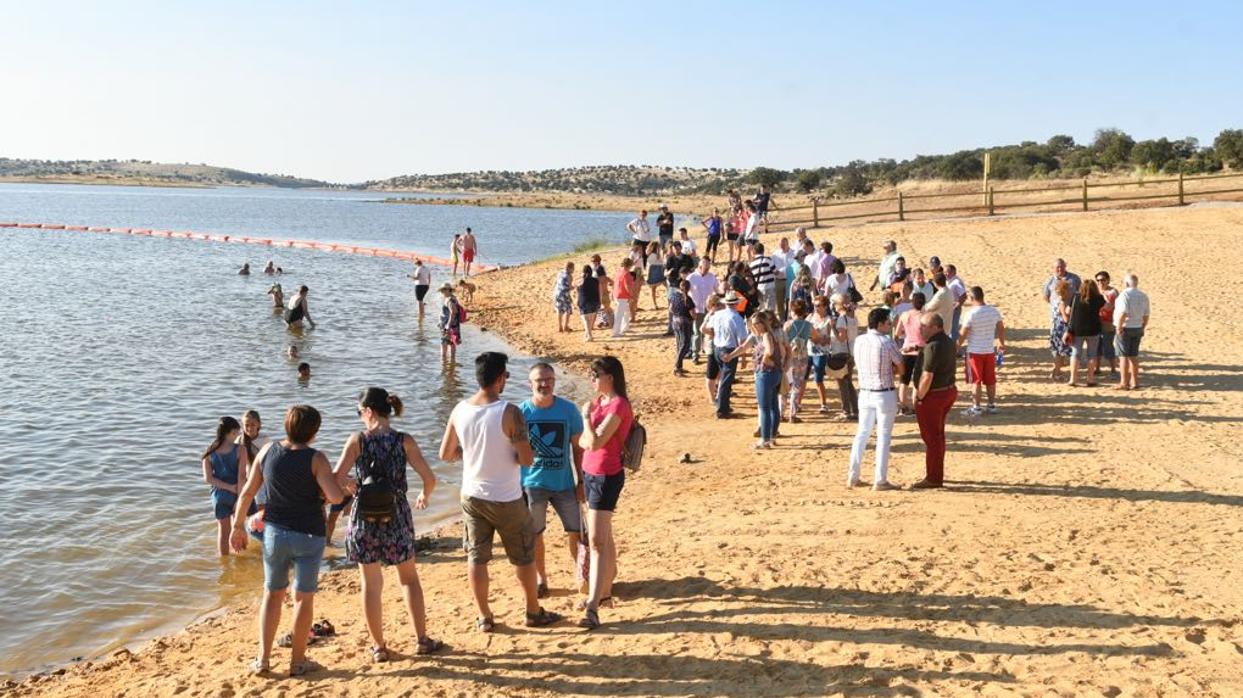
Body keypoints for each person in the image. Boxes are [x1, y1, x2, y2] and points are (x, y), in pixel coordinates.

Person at [439, 352, 562, 633]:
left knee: (477, 557)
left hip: (472, 494)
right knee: (523, 555)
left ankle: (484, 615)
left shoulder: (459, 409)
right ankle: (532, 610)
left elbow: (445, 453)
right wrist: (506, 453)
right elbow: (527, 458)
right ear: (498, 378)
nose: (506, 380)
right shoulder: (509, 412)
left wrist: (471, 453)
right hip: (506, 495)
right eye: (506, 376)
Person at [229, 405, 346, 677]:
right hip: (308, 535)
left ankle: (263, 660)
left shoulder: (268, 451)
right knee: (303, 598)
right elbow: (336, 497)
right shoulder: (316, 458)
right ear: (314, 432)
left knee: (272, 594)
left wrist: (237, 527)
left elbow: (247, 492)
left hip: (275, 533)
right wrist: (334, 486)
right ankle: (298, 661)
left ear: (286, 425)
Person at [334, 388, 442, 661]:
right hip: (397, 515)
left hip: (364, 517)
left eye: (360, 413)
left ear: (368, 411)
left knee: (370, 584)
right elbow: (429, 478)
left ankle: (379, 647)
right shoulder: (404, 441)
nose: (360, 418)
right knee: (408, 579)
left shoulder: (358, 440)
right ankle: (422, 640)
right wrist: (423, 495)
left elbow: (336, 477)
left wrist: (352, 485)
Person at [576, 356, 634, 629]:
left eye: (595, 375)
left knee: (597, 540)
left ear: (609, 377)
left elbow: (595, 442)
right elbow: (585, 442)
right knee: (604, 535)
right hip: (590, 472)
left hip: (605, 475)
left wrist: (586, 418)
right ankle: (605, 590)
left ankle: (593, 605)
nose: (592, 380)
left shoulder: (619, 405)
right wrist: (589, 432)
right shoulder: (601, 402)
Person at [519, 364, 585, 598]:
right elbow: (511, 453)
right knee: (535, 534)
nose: (544, 384)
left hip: (564, 483)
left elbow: (578, 449)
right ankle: (541, 579)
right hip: (532, 484)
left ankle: (582, 575)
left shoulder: (569, 410)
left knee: (576, 532)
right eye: (539, 380)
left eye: (548, 379)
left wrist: (582, 482)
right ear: (530, 383)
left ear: (554, 381)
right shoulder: (521, 413)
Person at [848, 308, 905, 490]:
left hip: (865, 392)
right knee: (883, 437)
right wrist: (892, 370)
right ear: (880, 324)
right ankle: (880, 479)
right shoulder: (886, 342)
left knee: (862, 434)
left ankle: (853, 476)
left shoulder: (859, 340)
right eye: (887, 323)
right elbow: (901, 367)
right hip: (883, 392)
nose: (889, 326)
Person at [724, 314, 783, 448]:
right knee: (773, 406)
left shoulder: (766, 335)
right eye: (752, 323)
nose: (754, 326)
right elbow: (743, 347)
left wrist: (765, 360)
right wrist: (731, 356)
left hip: (765, 374)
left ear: (764, 323)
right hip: (774, 374)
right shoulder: (761, 335)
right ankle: (772, 437)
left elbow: (769, 350)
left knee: (764, 408)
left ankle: (765, 440)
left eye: (757, 323)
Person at [912, 314, 957, 490]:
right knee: (938, 436)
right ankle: (935, 473)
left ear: (935, 327)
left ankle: (933, 478)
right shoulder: (947, 341)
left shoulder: (933, 346)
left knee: (932, 438)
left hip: (934, 396)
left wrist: (920, 397)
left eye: (924, 326)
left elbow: (927, 375)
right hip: (947, 391)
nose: (920, 329)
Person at [202, 416, 253, 556]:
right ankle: (242, 562)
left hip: (219, 496)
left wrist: (227, 487)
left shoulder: (210, 451)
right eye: (236, 433)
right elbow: (241, 476)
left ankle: (224, 566)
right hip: (237, 493)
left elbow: (208, 478)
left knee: (223, 533)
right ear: (230, 432)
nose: (238, 436)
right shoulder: (240, 450)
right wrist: (238, 496)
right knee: (239, 528)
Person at [958, 286, 1006, 415]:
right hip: (989, 350)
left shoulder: (971, 313)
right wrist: (1001, 343)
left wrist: (956, 346)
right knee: (990, 379)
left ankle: (976, 407)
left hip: (974, 351)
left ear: (972, 298)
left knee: (976, 380)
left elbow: (963, 333)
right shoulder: (993, 311)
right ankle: (991, 405)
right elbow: (1001, 328)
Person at [710, 291, 748, 418]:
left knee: (723, 379)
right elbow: (742, 341)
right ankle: (722, 410)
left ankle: (723, 405)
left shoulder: (718, 314)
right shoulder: (736, 318)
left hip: (717, 348)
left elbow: (709, 329)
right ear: (736, 304)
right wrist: (743, 357)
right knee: (726, 381)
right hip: (729, 350)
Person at [1113, 273, 1150, 391]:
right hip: (1137, 326)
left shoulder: (1124, 295)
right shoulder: (1143, 296)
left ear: (1126, 284)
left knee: (1123, 356)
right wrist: (1143, 326)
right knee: (1133, 355)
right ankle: (1135, 381)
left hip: (1126, 327)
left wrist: (1119, 327)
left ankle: (1124, 382)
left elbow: (1123, 312)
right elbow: (1146, 314)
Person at [894, 292, 927, 415]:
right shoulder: (925, 317)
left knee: (904, 380)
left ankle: (903, 406)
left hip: (906, 349)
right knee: (917, 382)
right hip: (920, 350)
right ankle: (914, 406)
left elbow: (896, 334)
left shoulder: (905, 315)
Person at [1068, 278, 1106, 387]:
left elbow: (1067, 311)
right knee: (1091, 355)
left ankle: (1073, 379)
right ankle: (1090, 378)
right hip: (1093, 329)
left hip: (1077, 329)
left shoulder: (1076, 297)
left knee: (1075, 354)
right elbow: (1107, 307)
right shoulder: (1098, 298)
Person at [829, 293, 860, 421]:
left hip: (842, 353)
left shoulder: (842, 319)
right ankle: (854, 410)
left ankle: (846, 410)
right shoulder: (852, 317)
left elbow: (841, 338)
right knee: (849, 383)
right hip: (851, 352)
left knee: (843, 383)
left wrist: (833, 328)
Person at [783, 298, 813, 423]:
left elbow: (783, 340)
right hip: (802, 358)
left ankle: (781, 412)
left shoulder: (788, 324)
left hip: (788, 357)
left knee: (785, 386)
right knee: (797, 386)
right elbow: (816, 338)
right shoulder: (808, 325)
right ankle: (792, 414)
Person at [686, 257, 717, 363]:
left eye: (708, 268)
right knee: (697, 332)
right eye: (705, 268)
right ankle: (695, 354)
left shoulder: (712, 277)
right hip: (696, 309)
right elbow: (685, 292)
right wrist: (690, 308)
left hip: (709, 309)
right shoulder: (691, 277)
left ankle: (708, 351)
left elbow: (717, 290)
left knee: (709, 331)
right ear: (700, 266)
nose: (707, 270)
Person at [700, 294, 724, 405]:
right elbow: (703, 329)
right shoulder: (712, 315)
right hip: (713, 346)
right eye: (719, 304)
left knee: (719, 372)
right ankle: (712, 398)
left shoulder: (717, 313)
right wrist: (714, 334)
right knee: (712, 373)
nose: (722, 306)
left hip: (719, 345)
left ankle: (718, 394)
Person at [1049, 279, 1074, 382]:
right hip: (1061, 328)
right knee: (1060, 352)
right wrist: (1069, 312)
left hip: (1055, 327)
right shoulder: (1062, 302)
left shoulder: (1055, 300)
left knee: (1058, 351)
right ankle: (1057, 372)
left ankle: (1056, 371)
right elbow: (1065, 318)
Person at [1096, 271, 1120, 377]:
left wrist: (1103, 296)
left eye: (1103, 280)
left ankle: (1113, 369)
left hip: (1108, 322)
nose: (1100, 282)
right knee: (1096, 346)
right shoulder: (1095, 291)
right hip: (1096, 322)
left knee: (1108, 346)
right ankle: (1097, 368)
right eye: (1098, 280)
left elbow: (1110, 307)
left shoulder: (1113, 292)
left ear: (1108, 280)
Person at [670, 279, 695, 376]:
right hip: (684, 322)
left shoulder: (674, 296)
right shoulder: (687, 299)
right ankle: (677, 367)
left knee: (679, 344)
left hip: (675, 321)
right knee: (685, 345)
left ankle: (679, 366)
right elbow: (693, 314)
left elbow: (671, 309)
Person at [749, 242, 776, 312]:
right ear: (763, 251)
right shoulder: (768, 260)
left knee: (761, 310)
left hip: (759, 289)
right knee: (770, 310)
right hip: (769, 287)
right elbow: (775, 272)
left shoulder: (751, 264)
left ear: (754, 251)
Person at [576, 264, 601, 342]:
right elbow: (599, 291)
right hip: (595, 301)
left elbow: (575, 286)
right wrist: (599, 301)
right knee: (590, 318)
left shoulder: (581, 280)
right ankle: (587, 333)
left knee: (585, 319)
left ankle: (589, 335)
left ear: (583, 272)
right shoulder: (596, 280)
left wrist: (581, 276)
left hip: (584, 301)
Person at [769, 237, 792, 321]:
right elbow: (771, 267)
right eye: (780, 244)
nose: (781, 246)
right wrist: (777, 273)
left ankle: (789, 318)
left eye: (783, 244)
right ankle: (782, 319)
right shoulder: (775, 254)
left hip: (790, 280)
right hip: (778, 281)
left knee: (790, 300)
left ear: (787, 244)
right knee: (779, 302)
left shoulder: (793, 253)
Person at [613, 258, 636, 337]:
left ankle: (625, 328)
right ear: (629, 265)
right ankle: (616, 332)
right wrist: (631, 295)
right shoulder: (627, 274)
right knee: (620, 314)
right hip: (623, 296)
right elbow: (627, 286)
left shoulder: (619, 272)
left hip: (617, 294)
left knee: (626, 312)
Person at [945, 264, 968, 342]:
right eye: (945, 272)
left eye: (948, 272)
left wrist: (958, 304)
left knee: (953, 330)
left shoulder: (956, 282)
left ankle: (954, 349)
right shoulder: (949, 280)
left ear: (954, 272)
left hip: (954, 309)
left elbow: (964, 295)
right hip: (948, 308)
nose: (946, 274)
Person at [644, 241, 665, 312]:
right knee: (655, 289)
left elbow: (649, 265)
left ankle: (655, 304)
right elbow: (661, 262)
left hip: (652, 273)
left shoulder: (652, 254)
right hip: (657, 273)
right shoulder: (656, 255)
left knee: (653, 290)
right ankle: (655, 304)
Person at [595, 266, 614, 330]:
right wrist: (610, 286)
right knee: (607, 309)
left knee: (600, 310)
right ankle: (609, 322)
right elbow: (612, 282)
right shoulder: (606, 278)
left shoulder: (597, 279)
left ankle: (603, 321)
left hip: (600, 295)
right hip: (606, 295)